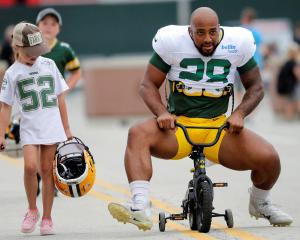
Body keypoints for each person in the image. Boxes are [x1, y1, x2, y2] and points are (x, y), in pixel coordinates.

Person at [107, 7, 293, 231]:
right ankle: (140, 206)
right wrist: (162, 113)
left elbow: (256, 87)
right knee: (137, 134)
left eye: (213, 32)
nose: (207, 39)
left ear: (219, 28)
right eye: (200, 33)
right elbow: (147, 86)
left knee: (270, 159)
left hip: (218, 127)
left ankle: (260, 203)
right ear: (189, 31)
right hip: (179, 126)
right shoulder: (172, 42)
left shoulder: (238, 42)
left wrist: (240, 113)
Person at [0, 22, 72, 235]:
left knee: (47, 171)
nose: (34, 55)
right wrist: (2, 134)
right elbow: (5, 107)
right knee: (30, 167)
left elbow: (61, 99)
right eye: (29, 52)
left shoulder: (49, 65)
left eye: (37, 51)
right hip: (30, 127)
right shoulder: (12, 73)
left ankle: (47, 218)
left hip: (51, 125)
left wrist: (67, 128)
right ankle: (32, 210)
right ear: (17, 48)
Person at [35, 8, 81, 196]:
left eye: (53, 24)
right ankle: (40, 176)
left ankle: (50, 179)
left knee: (53, 143)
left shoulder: (64, 49)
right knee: (36, 143)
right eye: (44, 23)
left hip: (54, 105)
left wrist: (66, 87)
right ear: (37, 26)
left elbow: (76, 71)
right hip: (35, 104)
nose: (48, 27)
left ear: (59, 29)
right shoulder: (31, 49)